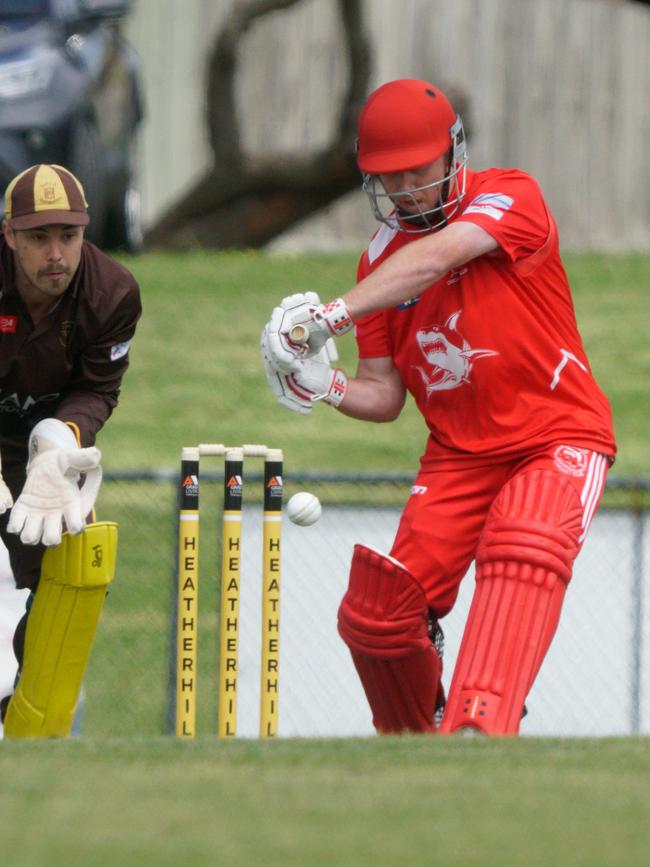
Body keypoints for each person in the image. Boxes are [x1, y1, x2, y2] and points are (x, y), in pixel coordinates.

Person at [261, 79, 616, 735]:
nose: (404, 191)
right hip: (458, 456)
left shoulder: (511, 196)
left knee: (526, 540)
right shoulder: (377, 262)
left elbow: (440, 256)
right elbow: (385, 393)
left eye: (417, 172)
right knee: (378, 613)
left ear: (454, 153)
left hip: (554, 434)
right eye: (388, 178)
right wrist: (327, 386)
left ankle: (482, 723)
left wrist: (330, 316)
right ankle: (418, 749)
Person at [0, 164, 141, 736]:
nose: (56, 253)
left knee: (68, 575)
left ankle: (31, 723)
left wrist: (58, 442)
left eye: (69, 235)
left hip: (43, 446)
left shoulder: (114, 292)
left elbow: (97, 387)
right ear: (8, 234)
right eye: (38, 237)